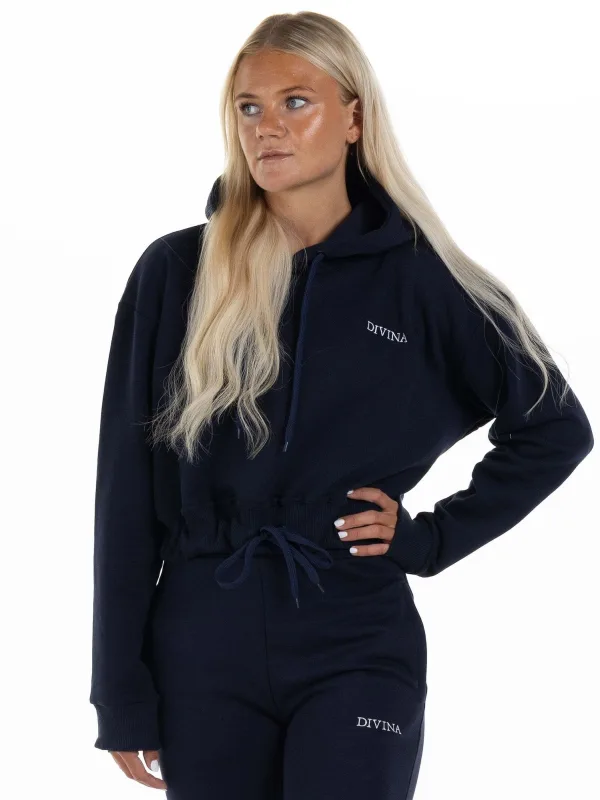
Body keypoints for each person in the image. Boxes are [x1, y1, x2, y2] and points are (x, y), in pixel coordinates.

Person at [89, 11, 594, 799]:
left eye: (296, 102)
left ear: (355, 117)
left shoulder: (425, 278)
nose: (266, 127)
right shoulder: (177, 271)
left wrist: (431, 539)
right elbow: (124, 492)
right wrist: (117, 686)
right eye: (249, 107)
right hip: (201, 636)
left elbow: (555, 428)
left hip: (354, 631)